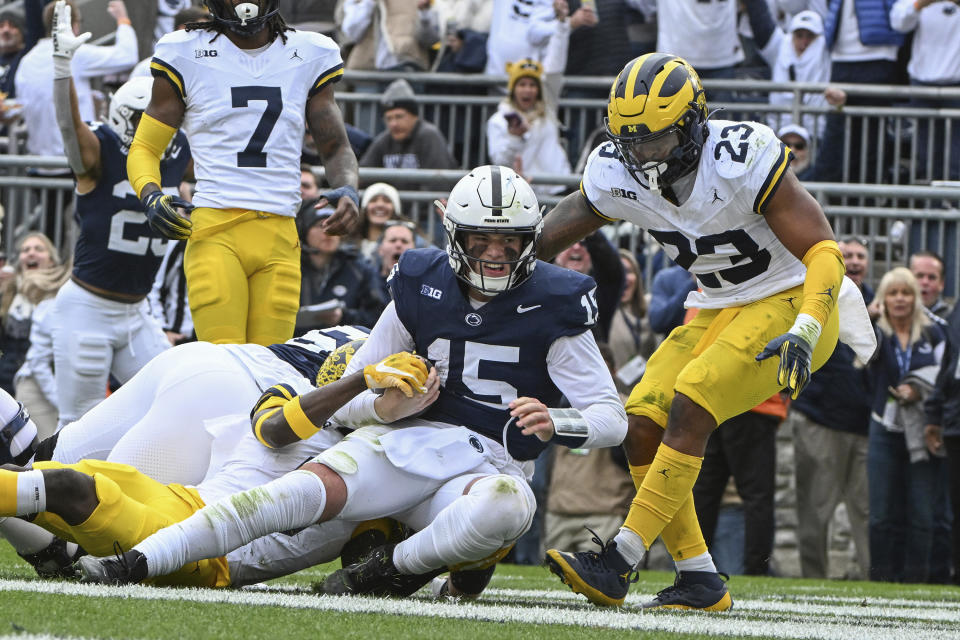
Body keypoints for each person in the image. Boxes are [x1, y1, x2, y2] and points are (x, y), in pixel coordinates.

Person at [75, 166, 628, 599]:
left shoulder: (555, 301)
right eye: (482, 238)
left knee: (509, 508)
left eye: (509, 241)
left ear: (531, 238)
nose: (496, 253)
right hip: (401, 443)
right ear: (454, 232)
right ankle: (135, 563)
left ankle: (387, 571)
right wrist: (385, 405)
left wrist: (558, 421)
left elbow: (610, 416)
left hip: (486, 468)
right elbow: (353, 397)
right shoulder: (421, 281)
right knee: (280, 499)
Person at [538, 53, 872, 608]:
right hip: (718, 303)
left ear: (694, 123)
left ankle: (618, 561)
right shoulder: (617, 171)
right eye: (632, 143)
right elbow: (561, 224)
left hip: (794, 297)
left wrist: (809, 327)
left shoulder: (741, 157)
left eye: (656, 142)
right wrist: (500, 255)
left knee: (692, 400)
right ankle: (698, 577)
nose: (642, 157)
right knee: (640, 420)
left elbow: (823, 249)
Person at [0, 344, 430, 587]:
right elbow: (275, 430)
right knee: (47, 487)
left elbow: (366, 560)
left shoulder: (377, 456)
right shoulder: (296, 400)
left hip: (202, 539)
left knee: (54, 481)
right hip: (188, 509)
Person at [128, 0, 360, 346]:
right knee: (226, 365)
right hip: (216, 232)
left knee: (269, 369)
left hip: (281, 234)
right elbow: (145, 147)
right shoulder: (186, 51)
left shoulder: (309, 52)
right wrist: (150, 193)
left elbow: (335, 146)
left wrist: (349, 188)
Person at [50, 5, 190, 426]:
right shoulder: (100, 150)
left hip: (138, 312)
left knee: (179, 399)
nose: (152, 127)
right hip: (88, 309)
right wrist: (62, 68)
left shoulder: (178, 151)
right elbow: (68, 126)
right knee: (77, 422)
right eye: (141, 118)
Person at [788, 235, 874, 580]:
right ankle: (813, 579)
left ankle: (873, 580)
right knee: (814, 511)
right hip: (819, 422)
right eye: (847, 255)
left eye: (860, 256)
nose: (854, 261)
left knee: (867, 514)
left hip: (865, 428)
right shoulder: (814, 298)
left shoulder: (878, 306)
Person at [866, 267, 948, 583]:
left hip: (923, 427)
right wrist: (870, 317)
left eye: (906, 293)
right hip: (882, 426)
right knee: (881, 514)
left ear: (916, 299)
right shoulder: (874, 331)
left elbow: (943, 378)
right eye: (892, 293)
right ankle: (881, 582)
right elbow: (857, 369)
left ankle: (918, 581)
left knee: (923, 513)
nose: (900, 299)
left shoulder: (934, 333)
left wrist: (918, 390)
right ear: (883, 299)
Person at [14, 1, 138, 164]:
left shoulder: (26, 62)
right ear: (74, 25)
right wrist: (123, 19)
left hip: (38, 164)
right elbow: (127, 56)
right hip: (76, 166)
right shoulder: (75, 54)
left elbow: (27, 105)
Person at [890, 0, 960, 182]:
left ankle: (954, 204)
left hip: (956, 84)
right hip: (923, 83)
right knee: (926, 151)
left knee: (957, 154)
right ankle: (931, 203)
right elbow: (898, 22)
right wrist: (920, 4)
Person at [743, 2, 831, 136]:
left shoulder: (825, 49)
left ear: (818, 37)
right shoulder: (781, 45)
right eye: (799, 35)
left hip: (816, 132)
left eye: (810, 36)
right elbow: (759, 18)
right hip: (780, 131)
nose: (804, 42)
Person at [486, 58, 570, 196]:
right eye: (522, 84)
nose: (528, 90)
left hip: (558, 188)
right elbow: (499, 162)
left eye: (532, 85)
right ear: (513, 89)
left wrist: (561, 34)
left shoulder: (548, 111)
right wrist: (514, 137)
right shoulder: (498, 121)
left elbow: (556, 66)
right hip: (524, 193)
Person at [297, 208, 387, 332]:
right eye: (320, 225)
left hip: (345, 347)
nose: (329, 231)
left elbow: (378, 317)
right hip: (295, 345)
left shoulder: (359, 270)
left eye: (335, 225)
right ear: (305, 232)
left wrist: (344, 317)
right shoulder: (293, 268)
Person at [0, 233, 68, 396]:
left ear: (51, 260)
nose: (31, 253)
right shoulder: (10, 290)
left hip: (44, 386)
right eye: (26, 250)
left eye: (39, 249)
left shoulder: (62, 293)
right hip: (5, 381)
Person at [359, 79, 458, 171]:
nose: (393, 124)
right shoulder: (385, 140)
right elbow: (363, 173)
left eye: (399, 116)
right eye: (389, 118)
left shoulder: (429, 136)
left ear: (414, 116)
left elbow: (439, 183)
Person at [607, 249, 658, 390]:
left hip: (641, 391)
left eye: (628, 271)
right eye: (617, 272)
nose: (623, 277)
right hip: (613, 393)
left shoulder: (649, 309)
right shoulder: (604, 313)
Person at [909, 251, 952, 318]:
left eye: (932, 277)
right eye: (920, 276)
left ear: (941, 284)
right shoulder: (893, 317)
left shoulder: (954, 320)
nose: (925, 282)